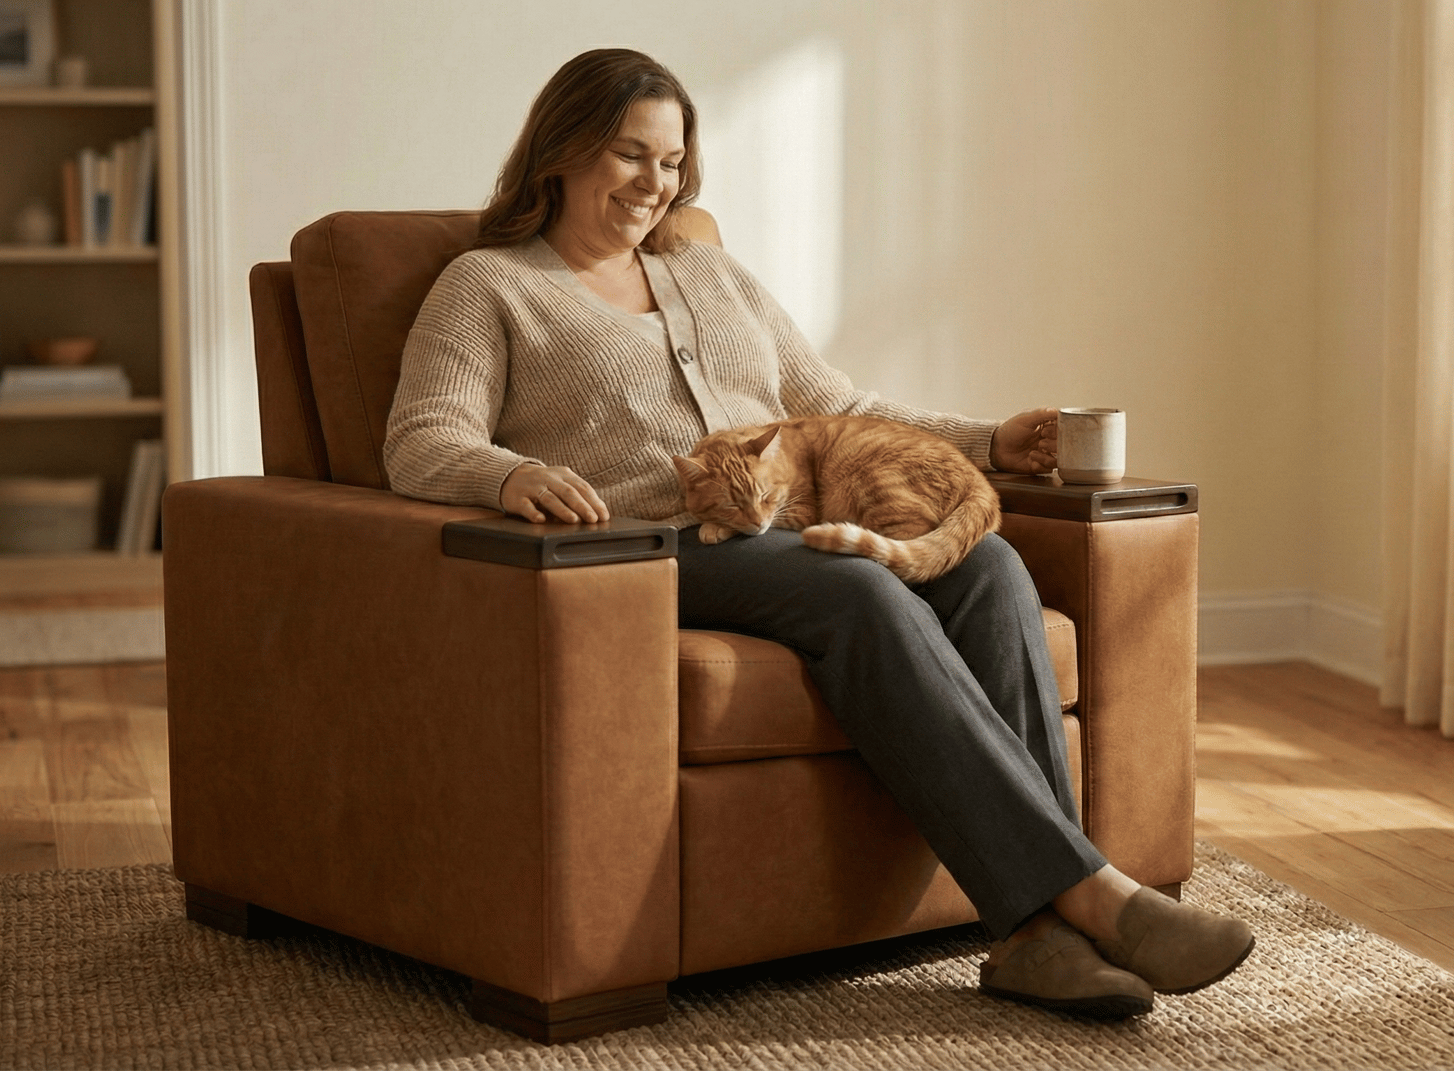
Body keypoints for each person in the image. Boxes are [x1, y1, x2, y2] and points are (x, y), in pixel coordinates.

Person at [383, 48, 1253, 1020]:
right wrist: (515, 474)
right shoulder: (490, 284)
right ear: (562, 149)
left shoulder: (709, 272)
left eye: (671, 163)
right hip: (652, 549)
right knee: (858, 588)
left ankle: (1034, 939)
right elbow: (422, 439)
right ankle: (1095, 894)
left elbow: (839, 403)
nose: (653, 183)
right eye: (630, 156)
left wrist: (988, 440)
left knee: (993, 565)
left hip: (801, 519)